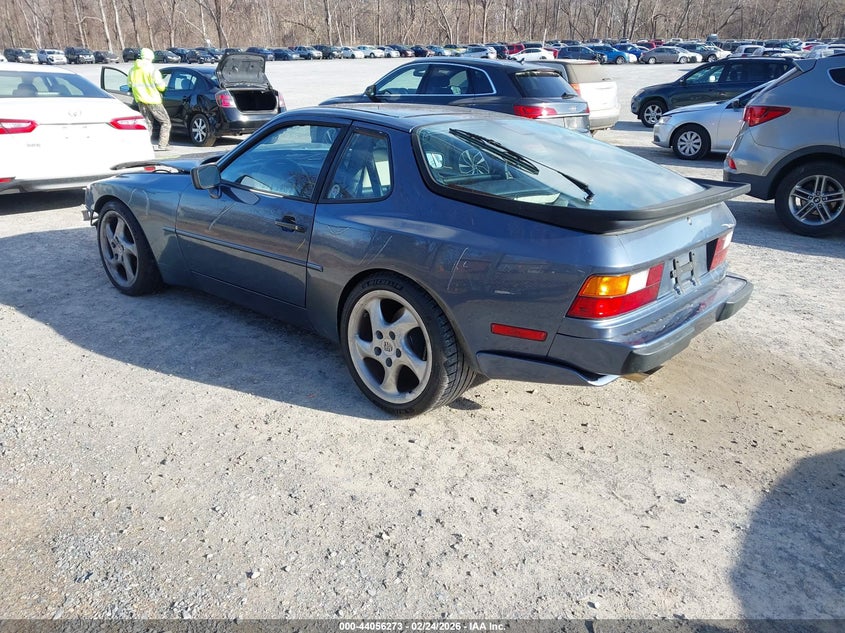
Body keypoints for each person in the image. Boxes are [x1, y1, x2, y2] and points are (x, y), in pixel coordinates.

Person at [127, 47, 171, 151]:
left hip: (140, 100)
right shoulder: (152, 70)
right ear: (150, 58)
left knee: (147, 123)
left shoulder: (132, 70)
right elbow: (161, 86)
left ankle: (145, 145)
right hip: (153, 101)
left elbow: (129, 84)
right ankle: (163, 145)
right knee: (165, 122)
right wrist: (164, 88)